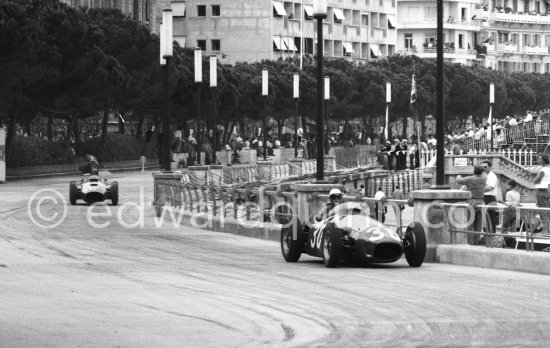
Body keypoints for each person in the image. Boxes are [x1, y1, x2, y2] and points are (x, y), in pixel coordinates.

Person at [534, 154, 550, 232]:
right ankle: (547, 230)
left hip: (541, 191)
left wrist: (537, 178)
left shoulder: (543, 170)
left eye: (539, 158)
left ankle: (545, 231)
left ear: (543, 160)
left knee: (543, 212)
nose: (538, 160)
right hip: (547, 190)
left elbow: (535, 181)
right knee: (547, 212)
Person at [482, 160, 499, 233]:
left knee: (491, 218)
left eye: (485, 167)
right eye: (482, 167)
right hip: (485, 198)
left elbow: (490, 188)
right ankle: (487, 234)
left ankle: (492, 235)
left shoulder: (492, 176)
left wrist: (480, 190)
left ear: (490, 167)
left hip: (490, 198)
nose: (483, 168)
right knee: (485, 218)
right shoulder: (485, 176)